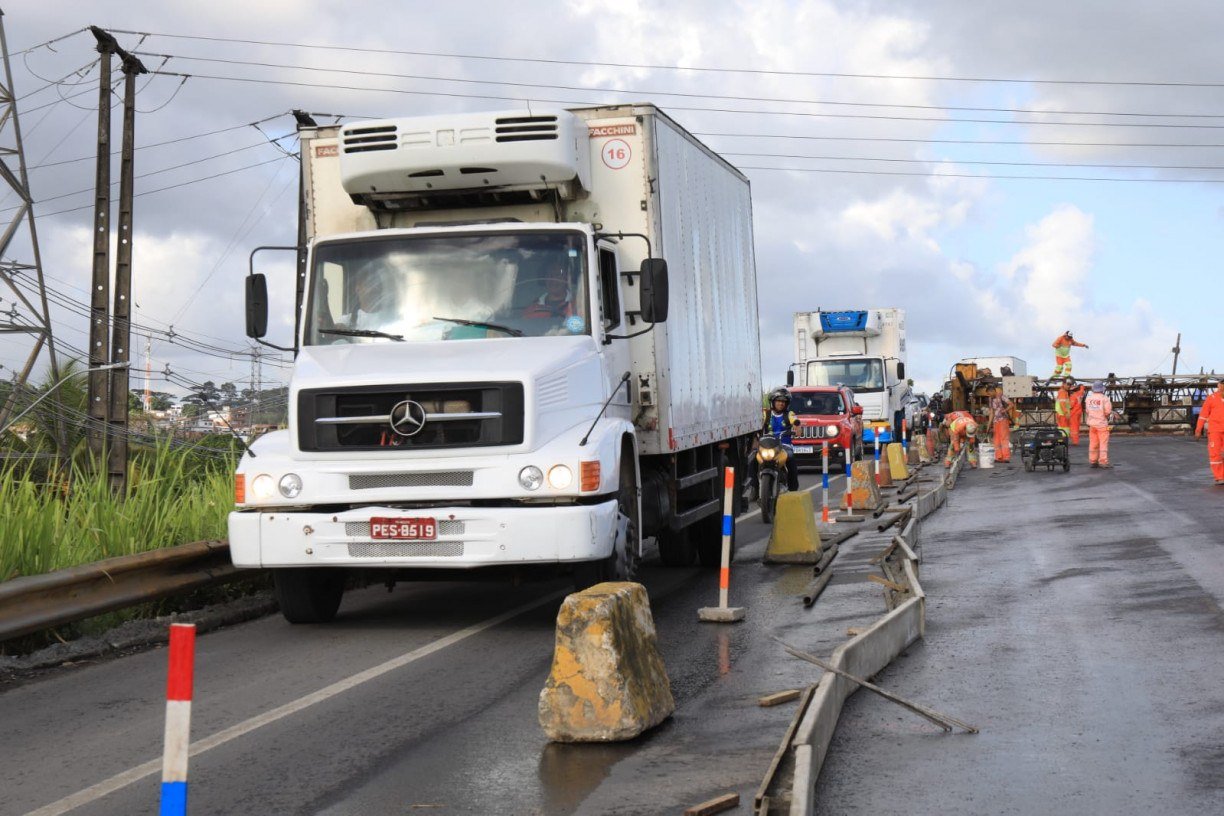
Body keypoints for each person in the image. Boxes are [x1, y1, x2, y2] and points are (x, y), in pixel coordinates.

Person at [744, 387, 801, 501]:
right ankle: (754, 489)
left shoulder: (789, 414)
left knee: (790, 458)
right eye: (778, 401)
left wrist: (797, 425)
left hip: (784, 446)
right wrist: (754, 432)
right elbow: (757, 423)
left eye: (783, 402)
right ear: (773, 402)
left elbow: (795, 421)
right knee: (752, 460)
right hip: (766, 445)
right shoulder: (766, 414)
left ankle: (793, 489)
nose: (781, 404)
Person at [1193, 378, 1224, 485]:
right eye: (1221, 384)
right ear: (1218, 385)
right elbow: (1203, 415)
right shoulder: (1211, 399)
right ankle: (1220, 477)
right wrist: (1198, 430)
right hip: (1215, 431)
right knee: (1215, 454)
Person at [1084, 381, 1115, 469]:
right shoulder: (1105, 399)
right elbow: (1107, 412)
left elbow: (1087, 411)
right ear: (1102, 389)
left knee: (1093, 443)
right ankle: (1103, 462)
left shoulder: (1088, 399)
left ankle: (1093, 461)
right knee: (1103, 444)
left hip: (1092, 425)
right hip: (1102, 425)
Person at [988, 386, 1013, 464]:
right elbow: (991, 413)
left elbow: (1011, 404)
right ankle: (999, 457)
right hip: (996, 422)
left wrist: (1004, 410)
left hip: (1003, 420)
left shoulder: (1001, 396)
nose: (989, 395)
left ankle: (1006, 457)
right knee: (996, 439)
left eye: (989, 393)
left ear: (993, 391)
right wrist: (989, 424)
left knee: (1004, 439)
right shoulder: (991, 399)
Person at [1067, 379, 1087, 446]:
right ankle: (1076, 440)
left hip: (1074, 413)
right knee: (1077, 427)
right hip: (1079, 412)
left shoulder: (1073, 396)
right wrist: (1081, 386)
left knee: (1074, 428)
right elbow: (1082, 388)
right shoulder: (1080, 393)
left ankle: (1075, 441)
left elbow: (1070, 406)